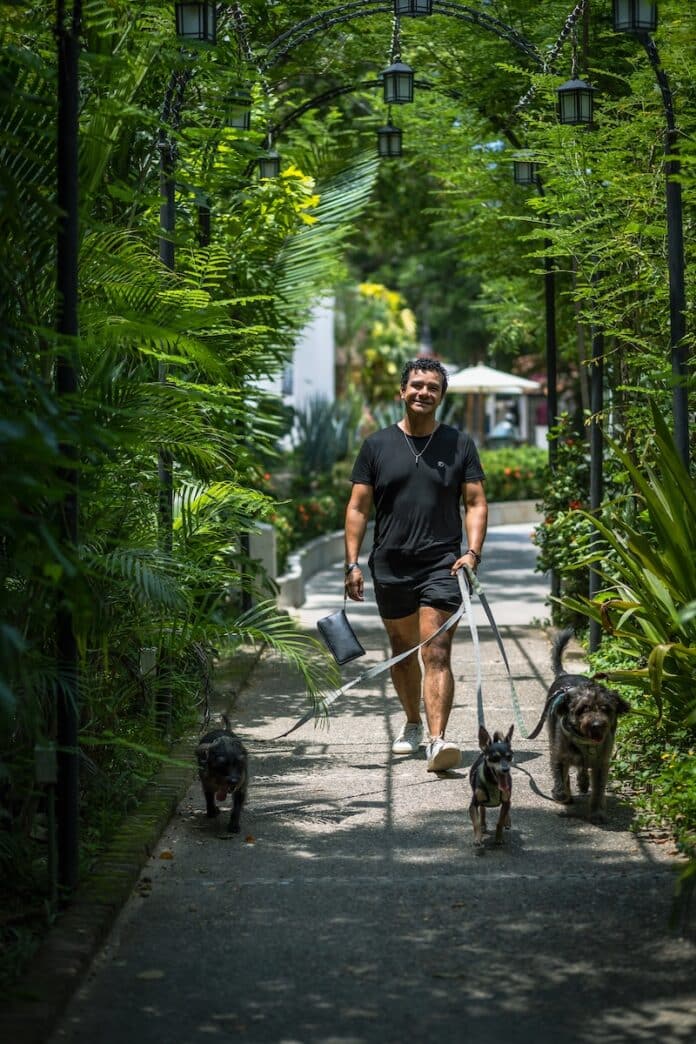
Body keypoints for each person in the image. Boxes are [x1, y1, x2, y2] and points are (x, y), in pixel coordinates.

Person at [344, 359, 488, 772]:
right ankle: (411, 723)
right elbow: (357, 507)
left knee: (436, 650)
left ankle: (437, 739)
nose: (424, 393)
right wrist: (352, 562)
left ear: (441, 397)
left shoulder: (459, 445)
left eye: (433, 388)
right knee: (403, 652)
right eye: (417, 386)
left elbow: (475, 502)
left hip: (443, 564)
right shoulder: (376, 446)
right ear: (402, 392)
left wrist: (472, 552)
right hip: (390, 564)